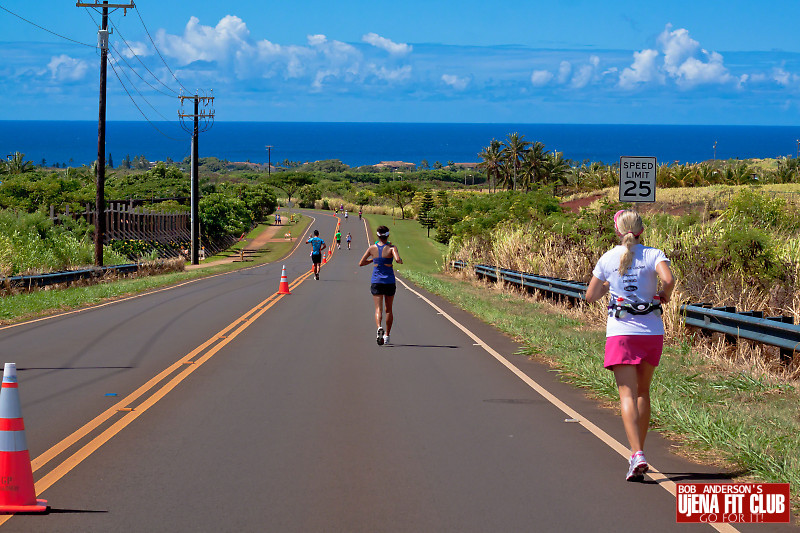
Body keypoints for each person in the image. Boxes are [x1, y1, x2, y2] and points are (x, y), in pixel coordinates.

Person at [585, 209, 675, 482]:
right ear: (641, 230)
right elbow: (669, 280)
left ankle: (636, 453)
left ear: (617, 231)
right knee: (643, 392)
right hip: (650, 332)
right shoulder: (653, 254)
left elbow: (590, 296)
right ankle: (640, 450)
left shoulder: (608, 258)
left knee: (626, 394)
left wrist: (607, 289)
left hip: (621, 332)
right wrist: (664, 296)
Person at [359, 225, 403, 345]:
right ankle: (387, 335)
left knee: (378, 309)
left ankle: (379, 327)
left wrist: (373, 260)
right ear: (387, 235)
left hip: (376, 281)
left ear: (378, 235)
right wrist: (399, 260)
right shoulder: (392, 248)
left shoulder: (372, 248)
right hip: (389, 281)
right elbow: (398, 259)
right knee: (388, 309)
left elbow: (361, 263)